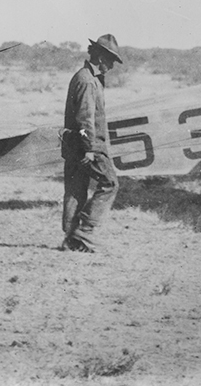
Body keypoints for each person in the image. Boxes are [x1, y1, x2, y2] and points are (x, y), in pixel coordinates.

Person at [60, 34, 123, 253]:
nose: (113, 66)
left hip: (74, 145)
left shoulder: (86, 77)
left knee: (76, 191)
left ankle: (71, 240)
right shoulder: (87, 80)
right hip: (87, 146)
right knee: (109, 183)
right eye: (111, 60)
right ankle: (84, 232)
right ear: (100, 57)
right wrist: (89, 149)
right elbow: (84, 120)